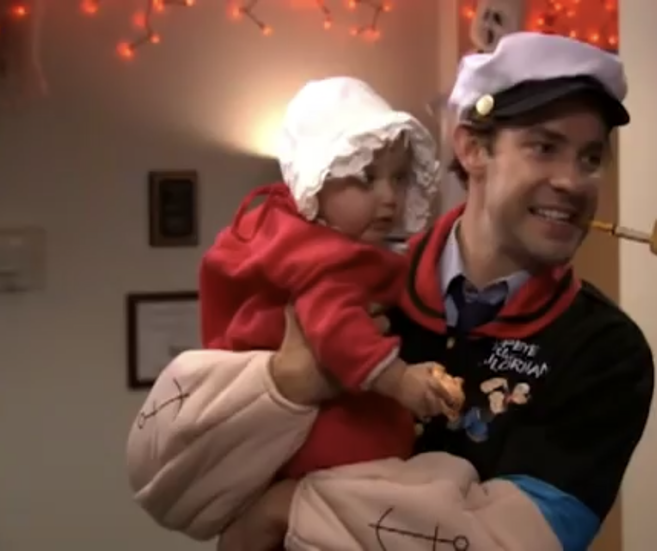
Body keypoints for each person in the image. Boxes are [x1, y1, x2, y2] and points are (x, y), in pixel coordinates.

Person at [127, 31, 654, 551]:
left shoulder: (606, 352)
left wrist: (281, 510)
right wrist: (285, 382)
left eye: (590, 158)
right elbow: (164, 482)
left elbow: (513, 543)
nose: (573, 182)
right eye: (544, 147)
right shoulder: (350, 282)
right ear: (473, 148)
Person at [126, 76, 464, 541]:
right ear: (316, 182)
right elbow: (336, 330)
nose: (389, 196)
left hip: (292, 441)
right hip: (324, 439)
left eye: (399, 178)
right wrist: (400, 380)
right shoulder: (324, 259)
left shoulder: (293, 236)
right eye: (366, 177)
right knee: (404, 481)